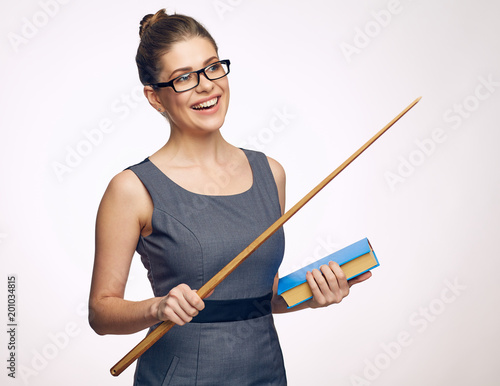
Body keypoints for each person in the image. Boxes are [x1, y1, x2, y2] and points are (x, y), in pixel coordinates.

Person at [88, 9, 371, 385]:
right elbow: (101, 313)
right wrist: (158, 307)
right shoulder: (131, 188)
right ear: (155, 98)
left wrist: (312, 291)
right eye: (184, 78)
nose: (206, 85)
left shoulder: (271, 173)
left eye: (212, 67)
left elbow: (258, 298)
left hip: (266, 373)